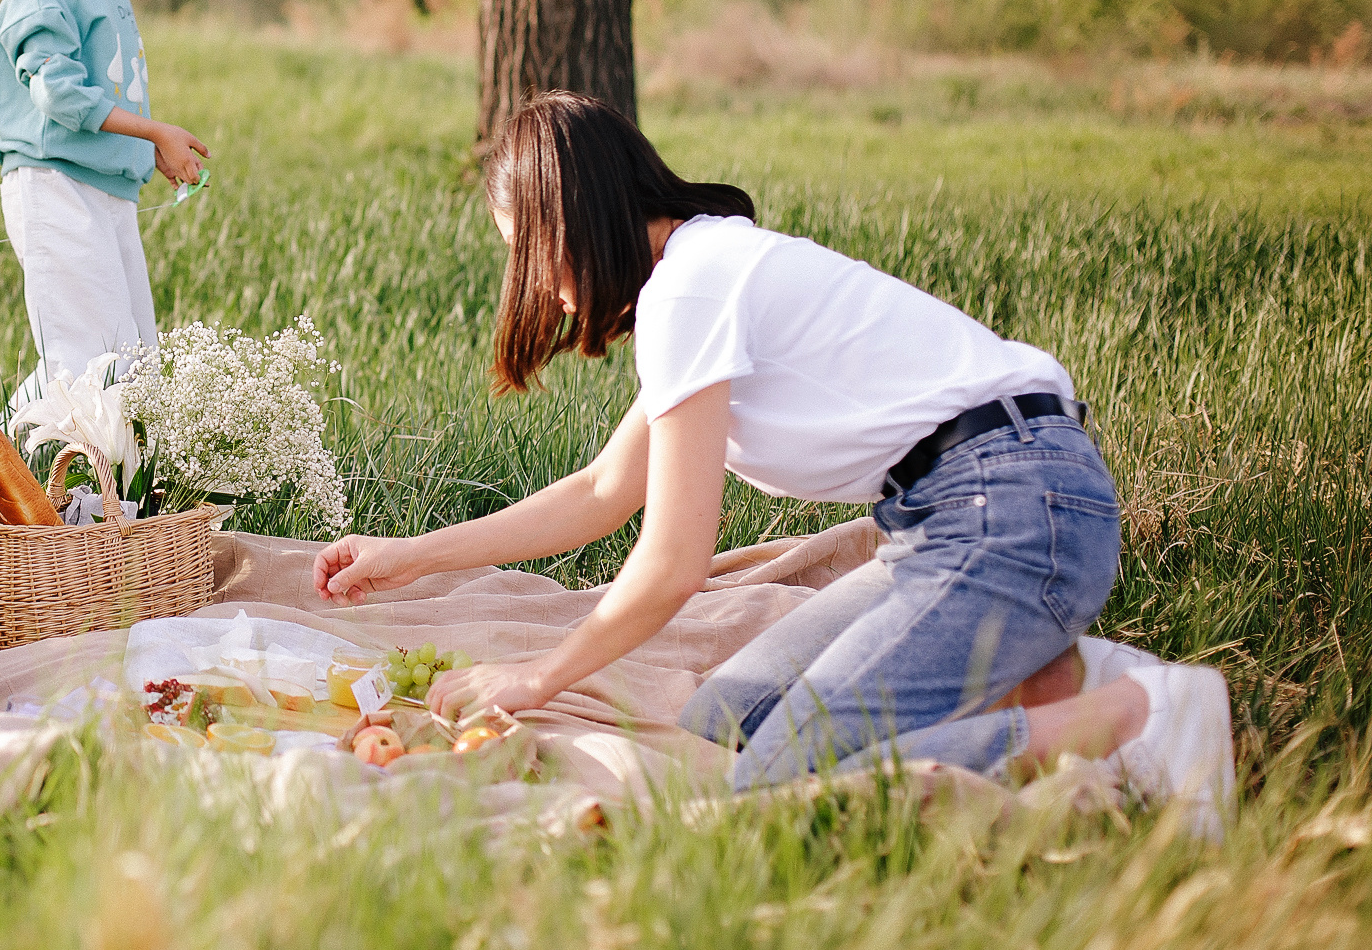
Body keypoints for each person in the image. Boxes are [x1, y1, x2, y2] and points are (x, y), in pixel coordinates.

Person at [313, 93, 1233, 830]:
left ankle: (1141, 720)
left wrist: (540, 675)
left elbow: (671, 565)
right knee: (723, 725)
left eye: (527, 250)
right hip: (956, 521)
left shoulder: (693, 286)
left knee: (777, 782)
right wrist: (413, 554)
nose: (538, 286)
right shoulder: (695, 279)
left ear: (571, 215)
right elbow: (605, 490)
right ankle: (1052, 678)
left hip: (1012, 511)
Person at [0, 0, 208, 406]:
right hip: (52, 183)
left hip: (105, 188)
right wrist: (155, 130)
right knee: (85, 357)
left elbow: (114, 87)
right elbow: (60, 95)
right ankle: (27, 483)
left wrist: (144, 147)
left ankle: (79, 488)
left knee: (131, 356)